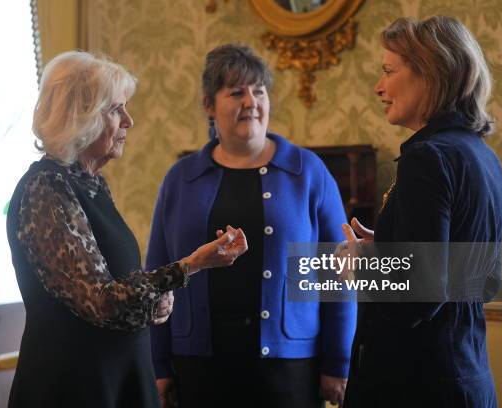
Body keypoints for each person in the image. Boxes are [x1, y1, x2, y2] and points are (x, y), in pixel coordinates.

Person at [6, 50, 248, 408]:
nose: (129, 121)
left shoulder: (91, 184)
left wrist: (153, 301)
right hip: (74, 386)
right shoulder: (45, 188)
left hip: (118, 378)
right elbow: (101, 301)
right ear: (81, 117)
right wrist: (191, 266)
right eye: (116, 109)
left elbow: (116, 283)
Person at [147, 44, 357, 408]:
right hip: (199, 367)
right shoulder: (181, 179)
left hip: (289, 368)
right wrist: (159, 364)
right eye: (236, 92)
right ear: (209, 106)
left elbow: (341, 274)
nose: (251, 101)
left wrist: (338, 362)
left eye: (259, 91)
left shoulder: (308, 172)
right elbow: (158, 274)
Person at [341, 16, 502, 407]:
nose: (379, 87)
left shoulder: (427, 157)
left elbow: (417, 296)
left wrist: (361, 265)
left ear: (430, 74)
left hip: (417, 384)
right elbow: (485, 282)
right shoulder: (482, 156)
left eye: (388, 71)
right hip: (467, 375)